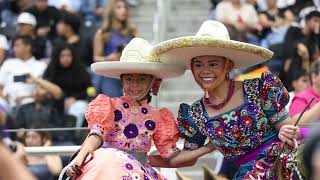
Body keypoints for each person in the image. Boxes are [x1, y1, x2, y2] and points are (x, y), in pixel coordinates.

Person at [151, 20, 311, 179]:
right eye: (198, 65)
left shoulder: (257, 89)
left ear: (228, 65)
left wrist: (287, 131)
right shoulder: (195, 114)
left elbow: (290, 129)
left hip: (284, 164)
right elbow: (186, 159)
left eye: (213, 64)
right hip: (248, 175)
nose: (205, 71)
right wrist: (208, 147)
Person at [65, 38, 215, 179]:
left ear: (153, 82)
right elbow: (96, 134)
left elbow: (173, 158)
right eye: (129, 79)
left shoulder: (158, 117)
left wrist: (211, 146)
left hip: (136, 172)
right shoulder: (109, 105)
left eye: (142, 79)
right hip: (105, 167)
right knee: (107, 160)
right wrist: (79, 158)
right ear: (122, 80)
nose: (135, 85)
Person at [92, 0, 137, 97]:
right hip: (111, 75)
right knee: (115, 106)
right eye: (119, 7)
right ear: (112, 11)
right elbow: (96, 58)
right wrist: (109, 58)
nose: (123, 10)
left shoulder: (132, 30)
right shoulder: (102, 33)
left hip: (130, 74)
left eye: (125, 7)